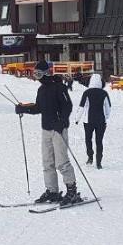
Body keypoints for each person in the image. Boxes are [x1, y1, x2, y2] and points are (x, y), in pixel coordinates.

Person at [15, 60, 81, 206]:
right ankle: (52, 191)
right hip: (46, 129)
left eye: (39, 74)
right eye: (35, 74)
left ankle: (72, 191)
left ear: (46, 73)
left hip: (58, 130)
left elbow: (67, 106)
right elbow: (39, 107)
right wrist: (24, 109)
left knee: (61, 162)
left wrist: (62, 122)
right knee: (47, 162)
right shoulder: (41, 90)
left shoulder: (59, 87)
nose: (37, 77)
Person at [78, 73, 111, 169]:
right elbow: (108, 107)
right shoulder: (104, 93)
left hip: (88, 121)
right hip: (101, 121)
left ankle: (90, 156)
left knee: (88, 139)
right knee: (99, 141)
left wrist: (77, 119)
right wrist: (106, 117)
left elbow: (81, 106)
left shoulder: (87, 93)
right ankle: (99, 162)